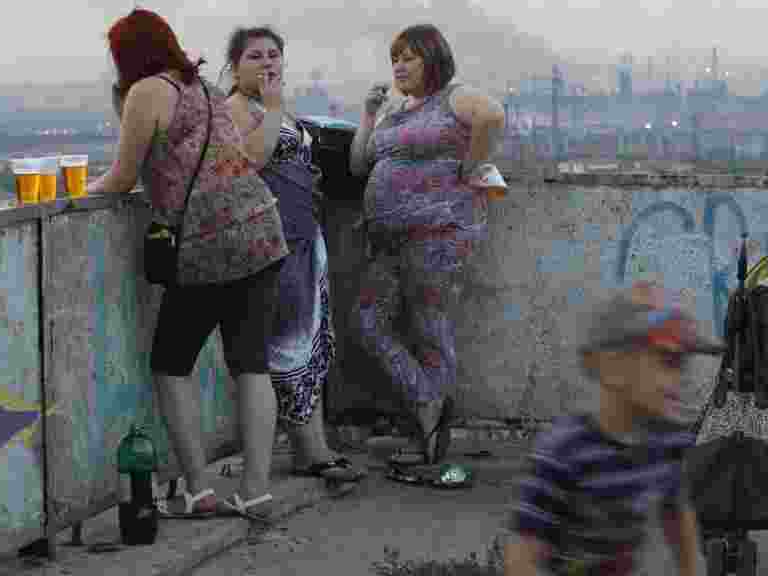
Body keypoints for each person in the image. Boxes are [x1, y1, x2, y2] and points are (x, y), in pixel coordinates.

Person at [91, 9, 289, 520]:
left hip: (206, 243)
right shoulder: (200, 85)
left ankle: (199, 487)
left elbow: (120, 177)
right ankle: (257, 490)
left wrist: (76, 192)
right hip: (260, 228)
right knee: (250, 364)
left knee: (170, 364)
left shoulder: (145, 92)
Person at [348, 24, 505, 467]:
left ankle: (430, 431)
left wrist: (471, 168)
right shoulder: (397, 110)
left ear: (433, 59)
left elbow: (491, 116)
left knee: (429, 328)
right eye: (395, 58)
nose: (399, 65)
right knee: (367, 323)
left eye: (410, 57)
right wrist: (368, 114)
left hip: (438, 234)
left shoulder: (453, 97)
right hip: (388, 239)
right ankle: (429, 404)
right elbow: (360, 163)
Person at [223, 26, 366, 485]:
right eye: (255, 56)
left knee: (311, 346)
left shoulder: (273, 110)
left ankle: (314, 448)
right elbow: (251, 160)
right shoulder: (234, 110)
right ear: (235, 66)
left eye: (273, 55)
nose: (267, 63)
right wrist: (275, 108)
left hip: (305, 238)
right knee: (287, 348)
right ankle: (312, 451)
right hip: (269, 245)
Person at [503, 282, 725, 576]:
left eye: (683, 364)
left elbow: (676, 511)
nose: (680, 379)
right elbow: (521, 560)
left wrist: (690, 570)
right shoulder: (563, 451)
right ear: (613, 368)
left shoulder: (668, 442)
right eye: (668, 361)